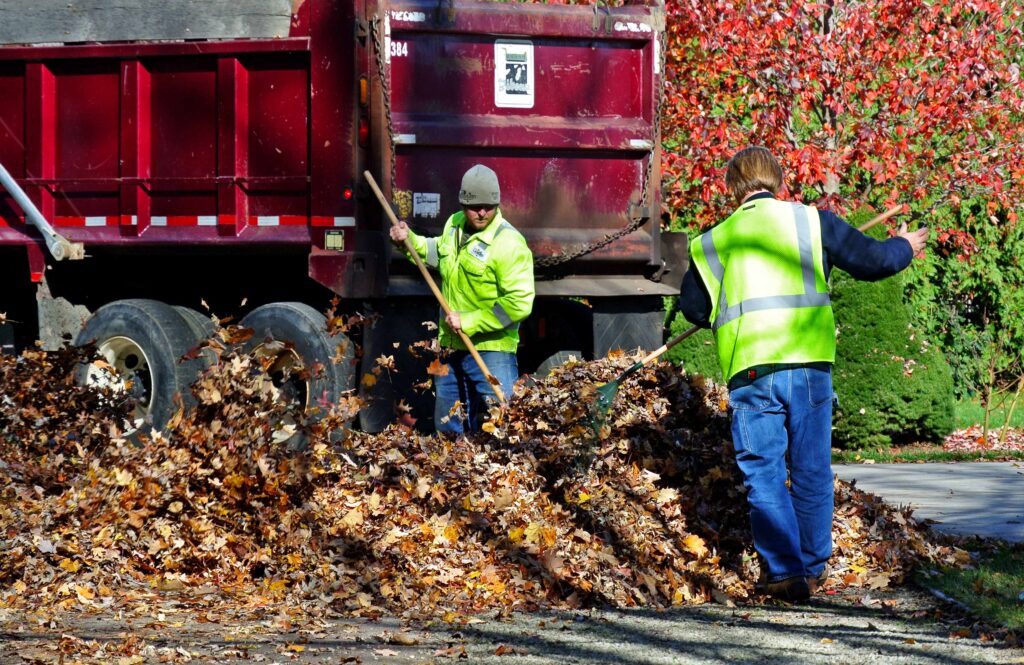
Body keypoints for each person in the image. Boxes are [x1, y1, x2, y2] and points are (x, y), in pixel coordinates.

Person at [678, 147, 929, 601]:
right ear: (778, 180)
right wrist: (904, 248)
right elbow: (872, 261)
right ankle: (812, 569)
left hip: (751, 372)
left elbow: (694, 307)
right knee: (812, 470)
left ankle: (783, 572)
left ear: (732, 188)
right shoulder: (811, 222)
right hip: (810, 367)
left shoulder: (713, 241)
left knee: (764, 474)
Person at [390, 164, 535, 434]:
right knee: (448, 425)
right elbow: (437, 254)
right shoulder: (454, 224)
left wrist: (470, 321)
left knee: (507, 423)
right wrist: (408, 241)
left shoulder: (509, 243)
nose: (482, 212)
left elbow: (519, 303)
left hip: (492, 349)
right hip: (451, 346)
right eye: (475, 206)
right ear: (463, 203)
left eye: (488, 206)